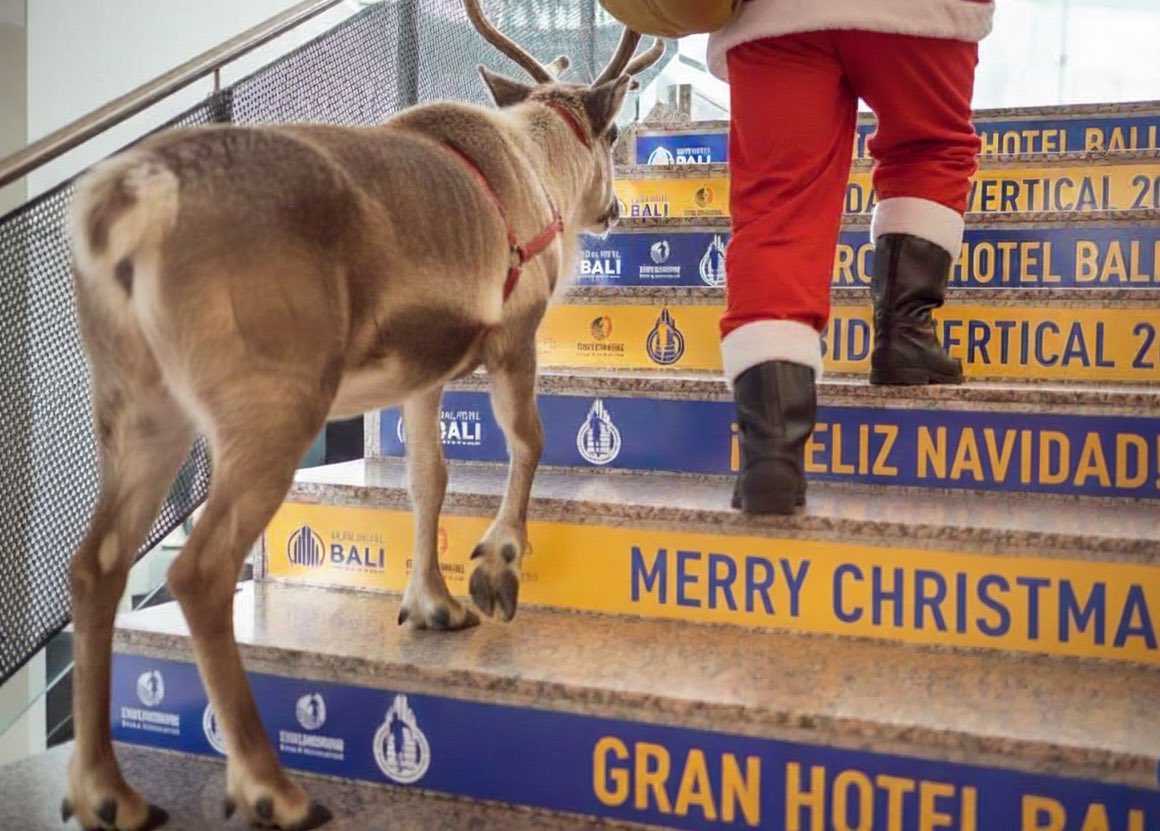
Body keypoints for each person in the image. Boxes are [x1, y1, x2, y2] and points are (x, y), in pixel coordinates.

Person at [706, 0, 996, 515]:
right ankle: (905, 337)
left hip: (775, 14)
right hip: (922, 12)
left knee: (777, 210)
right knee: (928, 149)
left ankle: (770, 455)